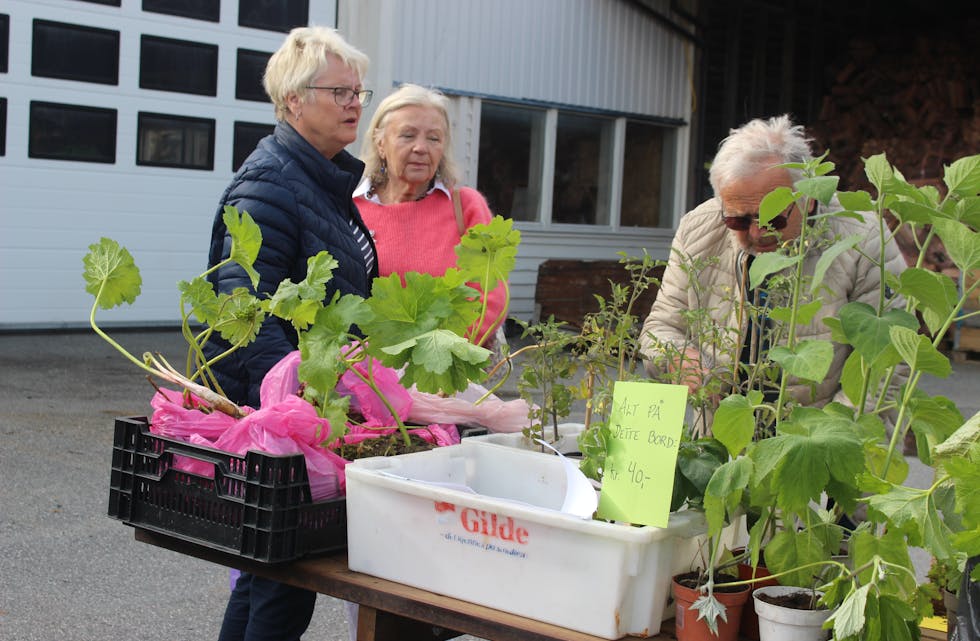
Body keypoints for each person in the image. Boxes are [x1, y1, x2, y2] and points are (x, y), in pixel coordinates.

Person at [203, 26, 376, 641]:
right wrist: (300, 404)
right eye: (340, 92)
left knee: (270, 577)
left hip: (304, 409)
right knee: (283, 585)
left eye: (359, 91)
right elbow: (242, 309)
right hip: (283, 418)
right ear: (294, 101)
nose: (356, 103)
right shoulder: (271, 182)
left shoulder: (322, 178)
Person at [640, 114, 907, 435]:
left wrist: (823, 440)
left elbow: (886, 363)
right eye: (738, 220)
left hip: (819, 436)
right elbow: (662, 327)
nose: (756, 233)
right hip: (723, 434)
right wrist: (677, 358)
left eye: (773, 219)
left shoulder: (863, 238)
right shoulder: (699, 229)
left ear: (808, 199)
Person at [353, 83, 507, 349]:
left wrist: (440, 354)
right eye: (407, 135)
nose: (421, 148)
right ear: (380, 143)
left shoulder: (466, 206)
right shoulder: (351, 208)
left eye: (434, 139)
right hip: (367, 365)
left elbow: (490, 296)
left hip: (446, 362)